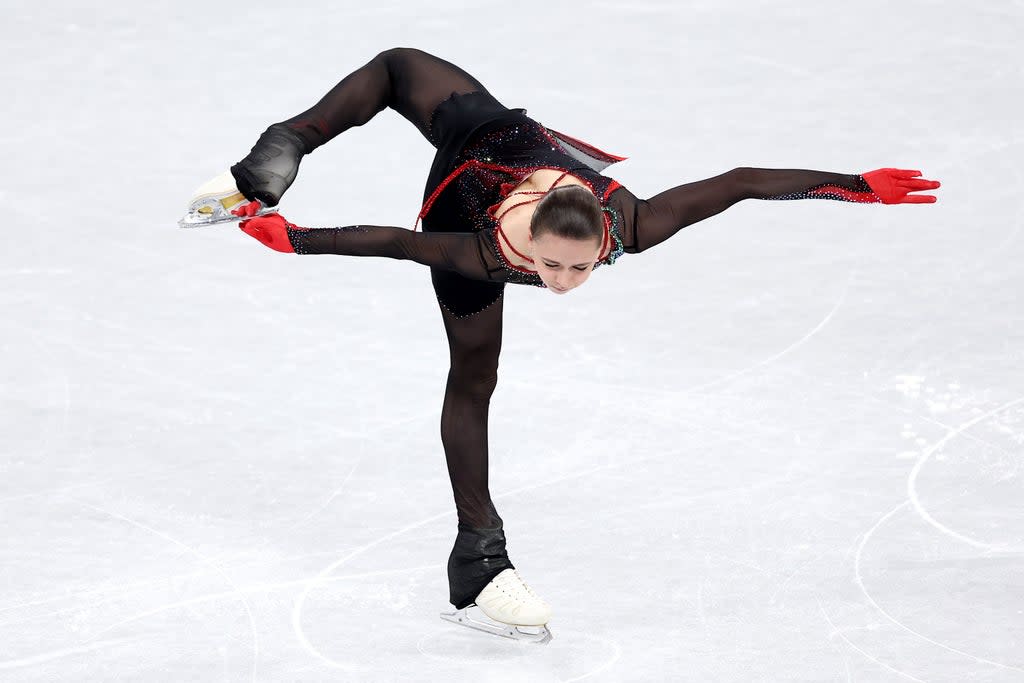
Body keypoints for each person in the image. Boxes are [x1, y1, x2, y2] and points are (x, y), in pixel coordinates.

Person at [184, 47, 940, 643]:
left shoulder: (634, 222)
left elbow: (739, 181)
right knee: (472, 372)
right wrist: (297, 240)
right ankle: (479, 557)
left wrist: (856, 184)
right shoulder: (484, 249)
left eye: (579, 269)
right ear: (531, 239)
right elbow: (399, 244)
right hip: (466, 184)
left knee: (407, 76)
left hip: (511, 162)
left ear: (603, 237)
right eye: (548, 265)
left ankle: (473, 559)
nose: (561, 283)